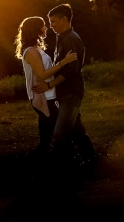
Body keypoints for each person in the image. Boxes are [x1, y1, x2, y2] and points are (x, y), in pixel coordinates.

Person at [32, 4, 96, 167]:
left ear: (65, 19)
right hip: (64, 92)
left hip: (71, 92)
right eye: (50, 22)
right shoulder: (63, 38)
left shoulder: (71, 39)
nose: (51, 25)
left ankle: (62, 166)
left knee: (60, 133)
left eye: (53, 21)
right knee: (76, 131)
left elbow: (71, 70)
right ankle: (91, 159)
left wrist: (49, 84)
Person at [15, 16, 78, 156]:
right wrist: (64, 62)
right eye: (43, 25)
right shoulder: (31, 51)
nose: (46, 28)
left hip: (49, 93)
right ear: (35, 29)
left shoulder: (36, 49)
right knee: (58, 126)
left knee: (47, 127)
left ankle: (44, 154)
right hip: (43, 95)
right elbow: (42, 75)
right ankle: (62, 155)